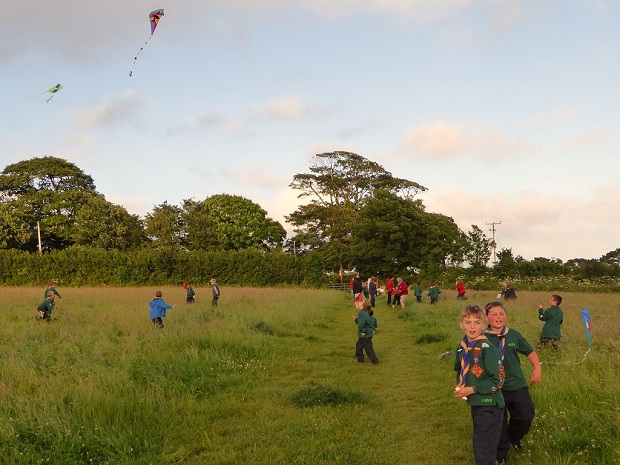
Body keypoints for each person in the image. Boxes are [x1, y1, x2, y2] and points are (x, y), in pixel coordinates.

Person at [485, 300, 541, 463]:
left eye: (501, 313)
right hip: (495, 388)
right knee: (499, 422)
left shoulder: (513, 335)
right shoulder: (482, 338)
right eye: (494, 314)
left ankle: (513, 438)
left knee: (526, 416)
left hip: (517, 385)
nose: (498, 317)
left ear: (506, 316)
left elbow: (530, 352)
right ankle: (500, 455)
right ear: (487, 317)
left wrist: (537, 368)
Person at [453, 304, 505, 465]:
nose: (472, 326)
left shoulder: (488, 349)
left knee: (482, 447)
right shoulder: (462, 348)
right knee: (483, 443)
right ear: (461, 325)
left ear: (483, 325)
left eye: (477, 322)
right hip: (476, 403)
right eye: (468, 322)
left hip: (490, 405)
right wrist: (461, 386)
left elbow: (498, 380)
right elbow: (459, 369)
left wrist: (472, 389)